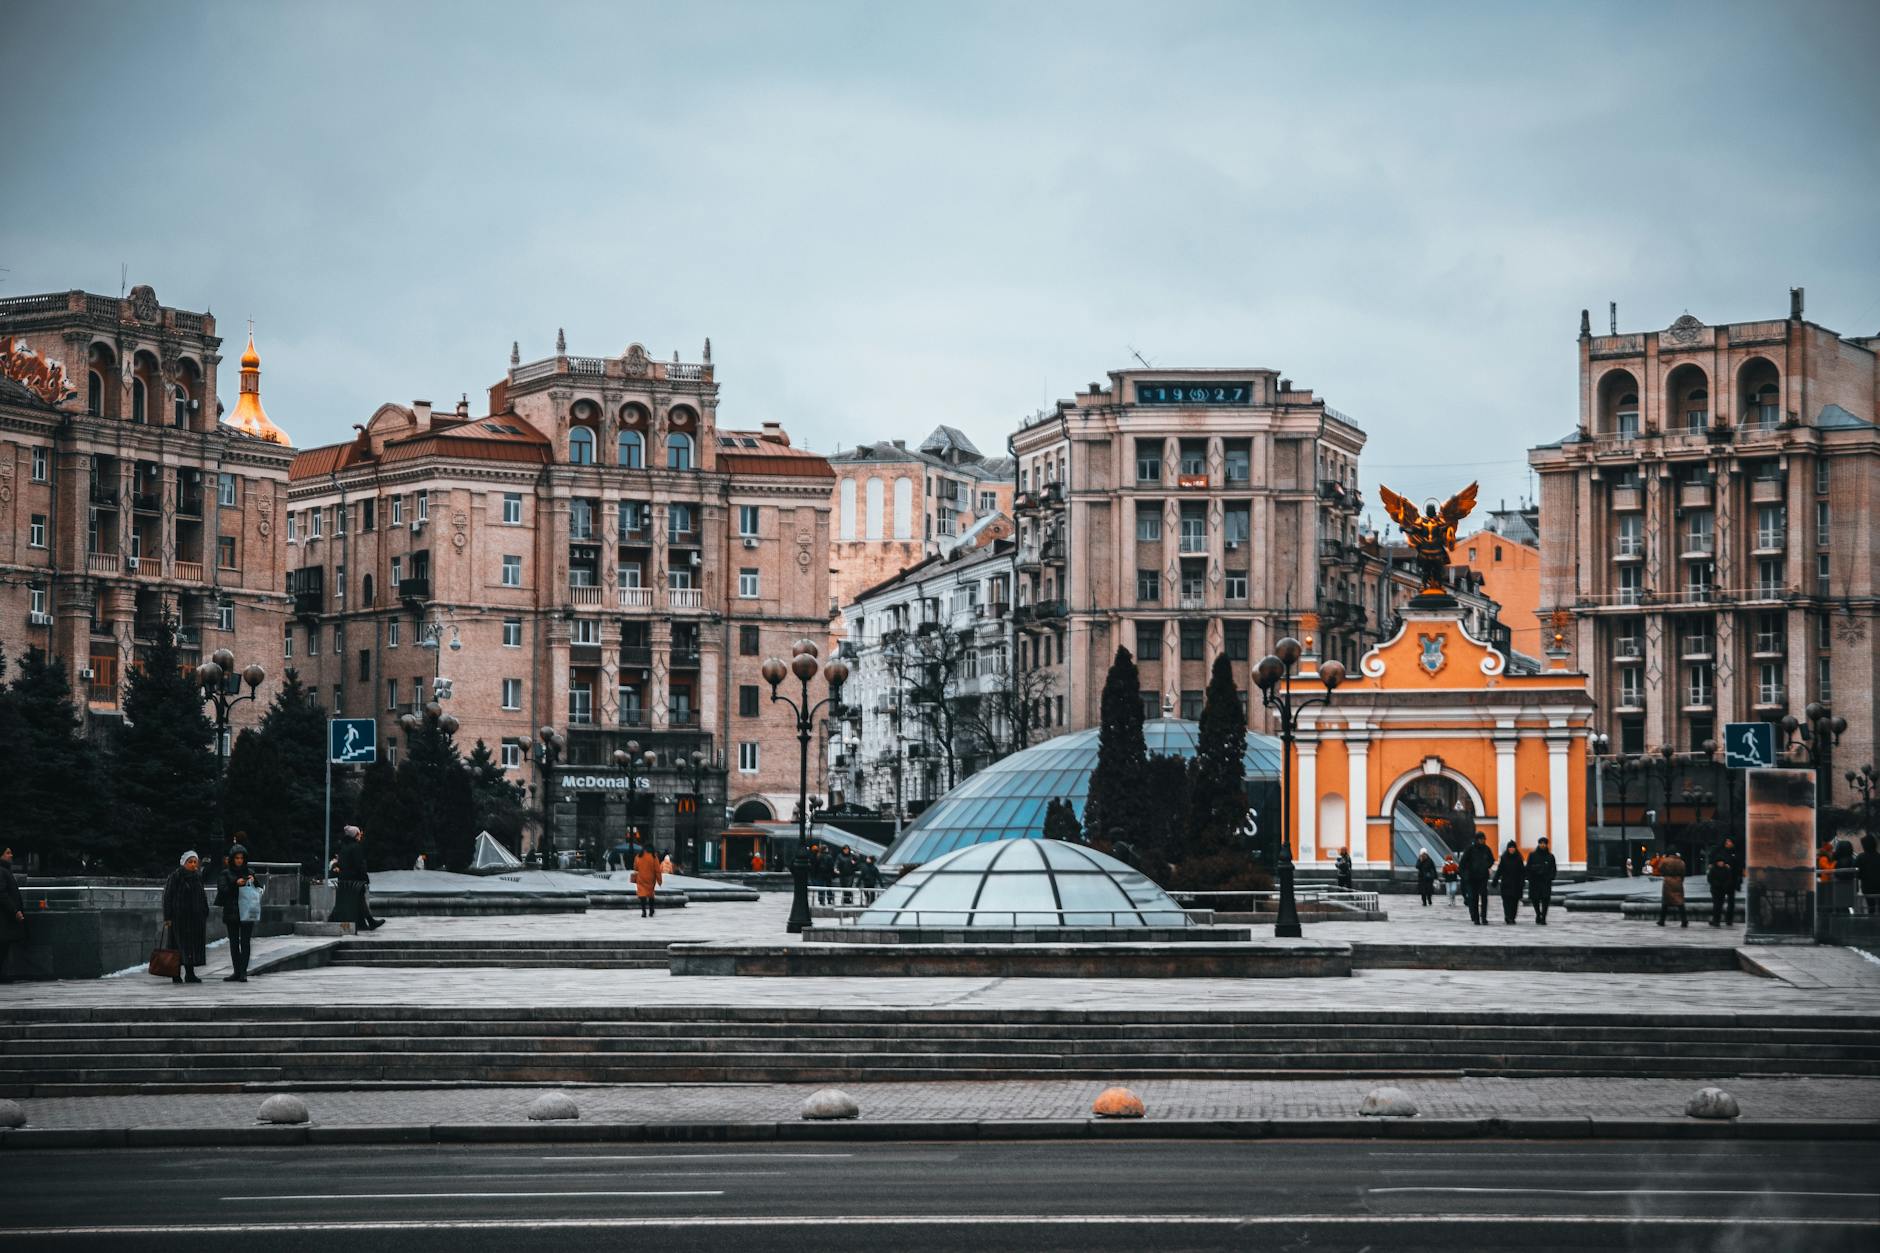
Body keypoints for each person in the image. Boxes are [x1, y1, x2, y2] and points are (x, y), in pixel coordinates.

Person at [161, 851, 210, 984]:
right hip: (179, 919)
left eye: (195, 862)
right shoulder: (176, 876)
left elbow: (202, 895)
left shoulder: (197, 877)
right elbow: (168, 897)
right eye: (190, 862)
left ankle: (190, 973)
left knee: (191, 946)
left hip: (195, 919)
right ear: (184, 863)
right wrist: (168, 917)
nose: (193, 864)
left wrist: (205, 910)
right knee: (177, 946)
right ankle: (175, 974)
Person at [216, 842, 262, 982]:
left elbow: (258, 890)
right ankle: (237, 971)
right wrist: (235, 883)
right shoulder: (225, 873)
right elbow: (222, 891)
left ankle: (243, 972)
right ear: (232, 859)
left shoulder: (250, 872)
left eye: (241, 858)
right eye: (237, 858)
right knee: (234, 943)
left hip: (247, 911)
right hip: (232, 911)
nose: (239, 861)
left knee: (246, 942)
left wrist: (254, 882)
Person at [330, 826, 384, 931]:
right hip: (354, 879)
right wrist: (365, 878)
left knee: (356, 900)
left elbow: (340, 863)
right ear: (355, 835)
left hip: (344, 879)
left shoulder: (343, 846)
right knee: (359, 899)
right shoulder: (355, 847)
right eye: (359, 834)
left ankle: (363, 923)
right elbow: (359, 865)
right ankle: (369, 921)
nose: (360, 836)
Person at [1459, 831, 1494, 925]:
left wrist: (1486, 866)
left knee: (1484, 898)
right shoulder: (1470, 849)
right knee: (1473, 898)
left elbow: (1491, 860)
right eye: (1480, 839)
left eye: (1483, 839)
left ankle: (1484, 917)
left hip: (1483, 877)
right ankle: (1476, 917)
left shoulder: (1487, 849)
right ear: (1477, 839)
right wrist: (1466, 873)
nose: (1482, 841)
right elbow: (1463, 863)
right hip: (1472, 878)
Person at [0, 845, 24, 983]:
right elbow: (1, 893)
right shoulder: (2, 871)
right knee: (2, 946)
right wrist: (14, 910)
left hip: (5, 917)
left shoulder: (5, 870)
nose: (11, 855)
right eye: (8, 853)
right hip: (4, 918)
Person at [1490, 840, 1526, 925]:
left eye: (1513, 847)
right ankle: (1507, 916)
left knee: (1514, 902)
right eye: (1510, 847)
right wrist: (1495, 880)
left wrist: (1522, 881)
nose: (1511, 849)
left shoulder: (1519, 858)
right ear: (1508, 848)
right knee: (1506, 902)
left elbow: (1522, 872)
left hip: (1516, 884)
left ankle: (1512, 917)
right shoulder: (1504, 858)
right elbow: (1499, 870)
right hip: (1506, 883)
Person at [1707, 841, 1742, 927]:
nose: (1728, 843)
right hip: (1719, 886)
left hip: (1728, 883)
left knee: (1727, 902)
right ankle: (1717, 920)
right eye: (1727, 842)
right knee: (1718, 904)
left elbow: (1736, 871)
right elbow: (1711, 878)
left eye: (1729, 842)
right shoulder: (1721, 857)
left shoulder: (1734, 856)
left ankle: (1726, 920)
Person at [1528, 836, 1558, 925]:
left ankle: (1544, 917)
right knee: (1535, 899)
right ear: (1538, 844)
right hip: (1535, 881)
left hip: (1546, 882)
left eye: (1544, 843)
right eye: (1541, 843)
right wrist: (1530, 877)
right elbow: (1528, 867)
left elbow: (1553, 868)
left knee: (1546, 899)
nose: (1543, 845)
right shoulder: (1532, 855)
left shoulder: (1550, 856)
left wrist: (1551, 877)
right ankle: (1538, 914)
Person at [1657, 846, 1688, 927]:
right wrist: (1681, 880)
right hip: (1678, 881)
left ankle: (1662, 920)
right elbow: (1683, 871)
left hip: (1668, 881)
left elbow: (1659, 868)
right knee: (1680, 901)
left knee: (1666, 902)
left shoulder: (1665, 861)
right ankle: (1684, 920)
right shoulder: (1680, 862)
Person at [633, 844, 663, 917]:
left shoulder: (638, 856)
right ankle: (651, 910)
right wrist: (659, 880)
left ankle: (644, 911)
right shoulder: (654, 857)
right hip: (650, 879)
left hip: (641, 879)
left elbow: (635, 867)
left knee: (642, 895)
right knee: (651, 895)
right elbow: (657, 870)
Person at [1855, 834, 1880, 916]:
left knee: (1870, 906)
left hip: (1867, 887)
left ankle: (1871, 918)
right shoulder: (1878, 857)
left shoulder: (1860, 857)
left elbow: (1857, 874)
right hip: (1878, 886)